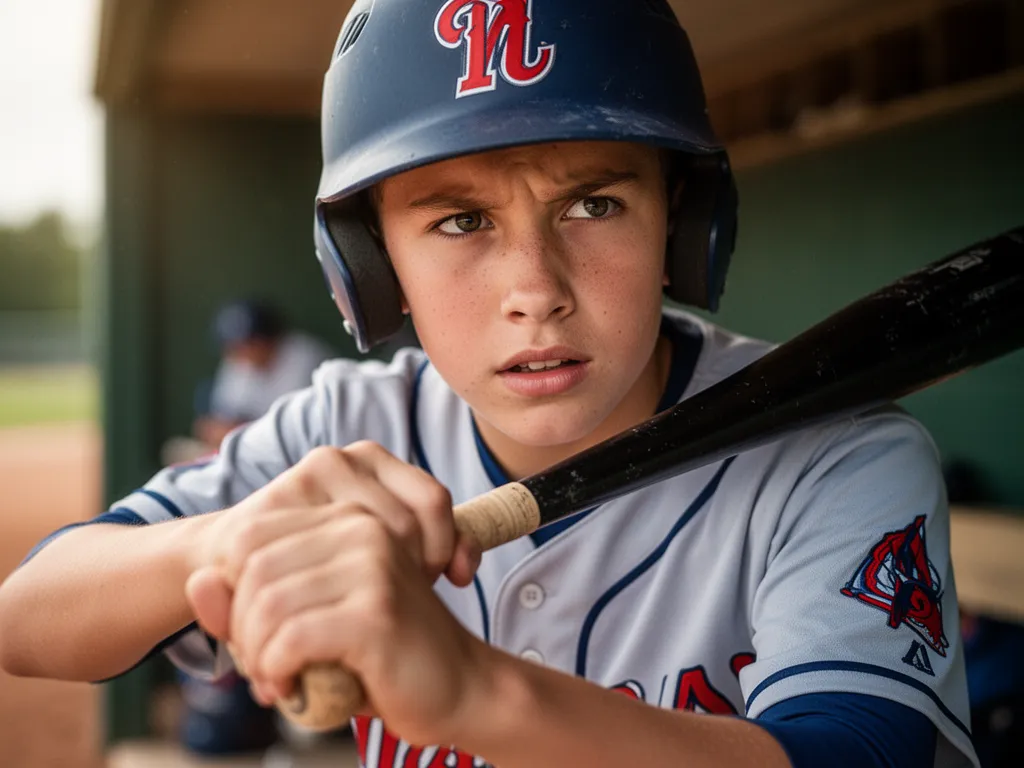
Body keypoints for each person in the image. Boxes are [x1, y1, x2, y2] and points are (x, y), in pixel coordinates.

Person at [0, 2, 978, 766]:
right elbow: (29, 616)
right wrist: (229, 537)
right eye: (460, 221)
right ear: (370, 267)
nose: (534, 294)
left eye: (593, 203)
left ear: (681, 225)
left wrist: (480, 696)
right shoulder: (348, 423)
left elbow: (855, 754)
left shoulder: (830, 453)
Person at [194, 299, 336, 450]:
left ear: (270, 338)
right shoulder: (237, 362)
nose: (240, 352)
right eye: (234, 346)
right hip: (263, 448)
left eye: (249, 342)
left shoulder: (306, 357)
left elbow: (296, 427)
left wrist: (238, 430)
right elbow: (226, 415)